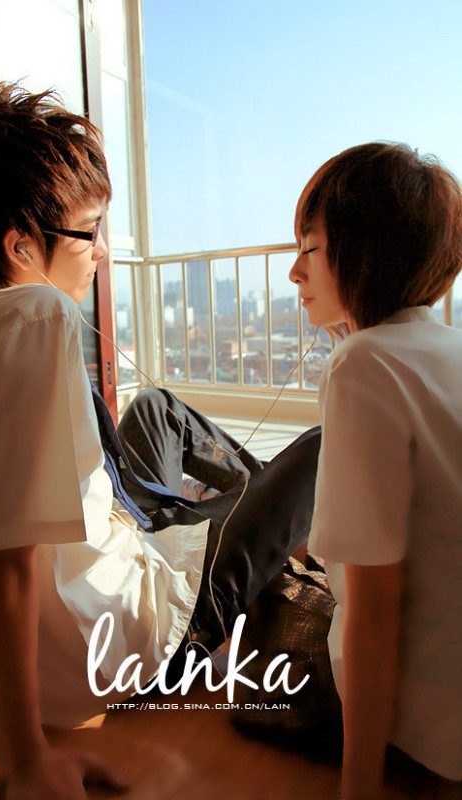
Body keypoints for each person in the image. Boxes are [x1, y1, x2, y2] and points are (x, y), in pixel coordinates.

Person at [0, 83, 320, 799]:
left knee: (157, 411)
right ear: (21, 245)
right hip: (117, 649)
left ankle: (247, 517)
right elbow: (2, 559)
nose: (103, 251)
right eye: (89, 232)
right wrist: (25, 761)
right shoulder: (38, 318)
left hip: (87, 591)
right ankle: (282, 537)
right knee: (320, 447)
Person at [289, 142, 462, 799]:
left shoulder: (362, 365)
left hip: (424, 724)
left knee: (258, 621)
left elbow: (374, 605)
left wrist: (357, 787)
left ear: (364, 254)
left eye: (309, 249)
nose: (293, 272)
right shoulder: (446, 347)